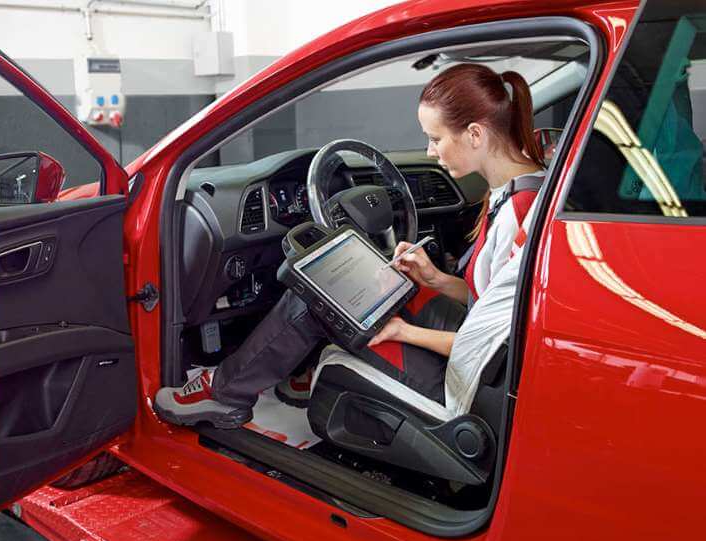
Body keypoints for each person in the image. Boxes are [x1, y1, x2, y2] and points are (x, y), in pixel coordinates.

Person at [154, 63, 547, 429]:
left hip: (467, 381)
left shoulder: (519, 215)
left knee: (318, 299)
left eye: (435, 139)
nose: (430, 152)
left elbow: (499, 347)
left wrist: (403, 333)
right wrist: (437, 278)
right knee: (371, 288)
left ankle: (224, 394)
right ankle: (295, 375)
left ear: (476, 134)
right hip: (472, 347)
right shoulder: (524, 189)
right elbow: (489, 305)